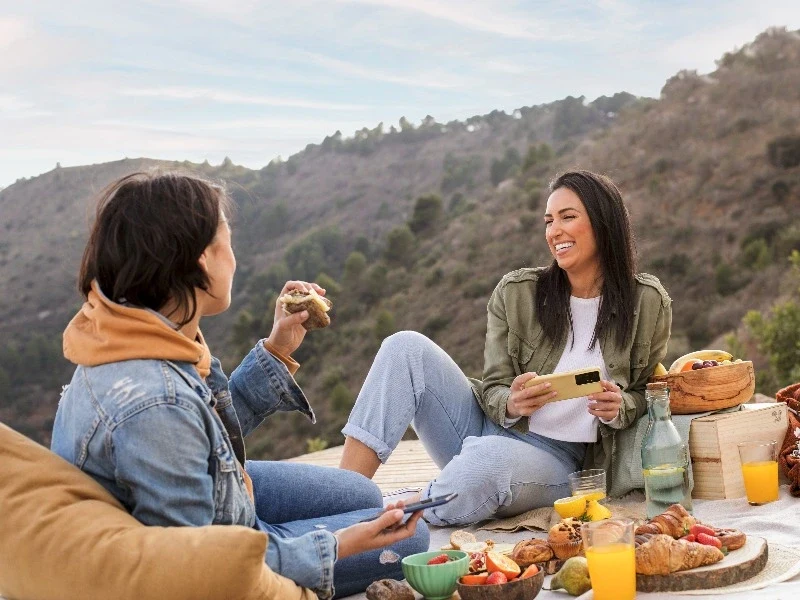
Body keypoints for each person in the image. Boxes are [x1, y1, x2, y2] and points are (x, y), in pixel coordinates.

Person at [50, 171, 428, 599]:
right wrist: (337, 545)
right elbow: (203, 567)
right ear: (202, 260)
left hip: (219, 498)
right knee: (409, 535)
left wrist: (277, 349)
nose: (235, 258)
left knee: (360, 493)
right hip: (213, 550)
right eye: (227, 241)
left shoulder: (135, 335)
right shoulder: (156, 404)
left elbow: (204, 434)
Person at [340, 170, 672, 525]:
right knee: (405, 347)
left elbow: (646, 392)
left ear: (603, 223)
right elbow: (494, 384)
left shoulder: (647, 302)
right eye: (549, 221)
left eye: (568, 217)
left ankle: (391, 517)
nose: (554, 231)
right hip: (485, 425)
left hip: (557, 459)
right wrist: (512, 403)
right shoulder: (517, 292)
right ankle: (341, 499)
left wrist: (619, 407)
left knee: (488, 460)